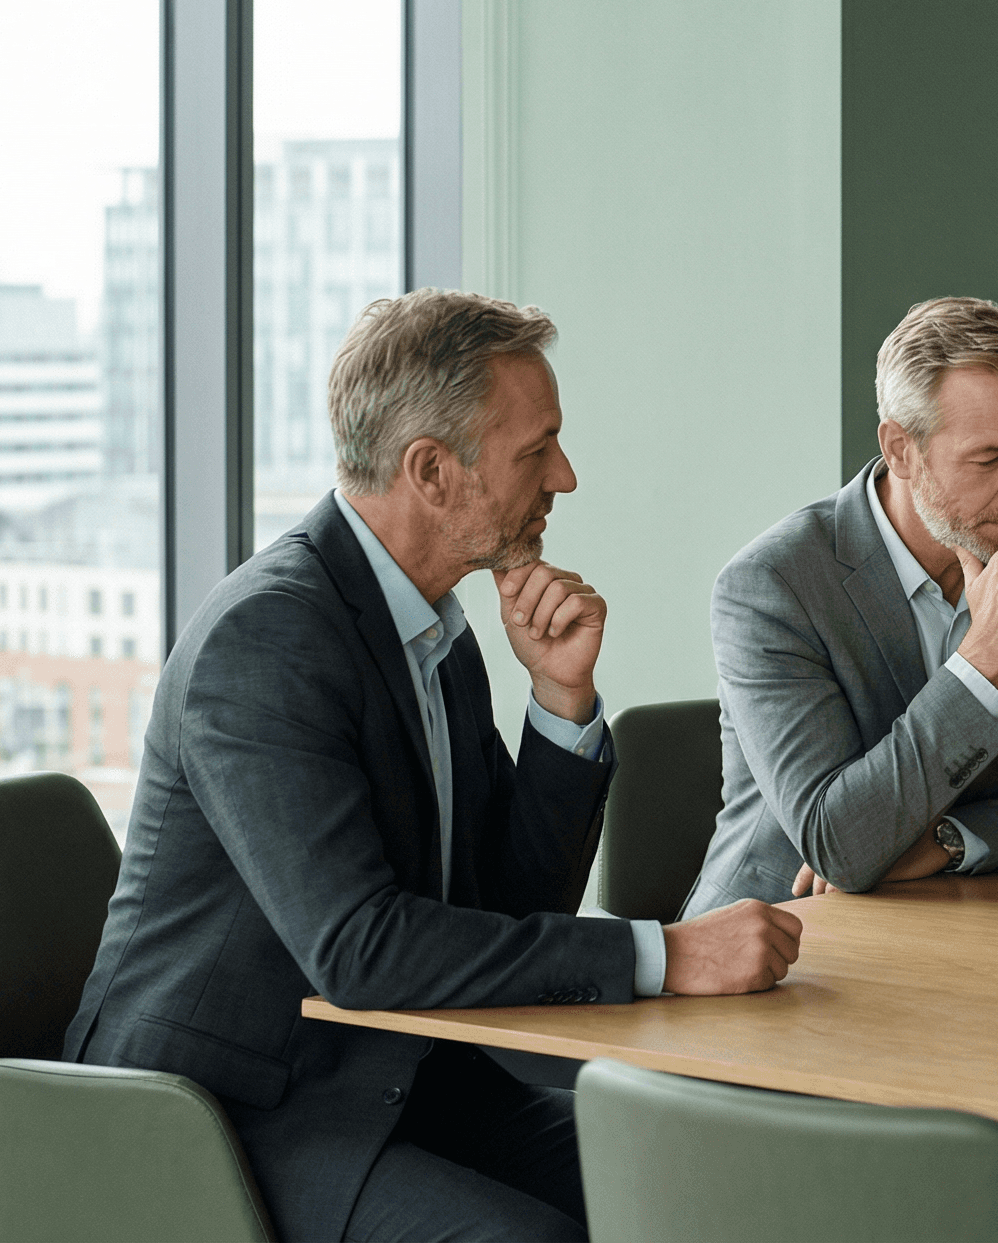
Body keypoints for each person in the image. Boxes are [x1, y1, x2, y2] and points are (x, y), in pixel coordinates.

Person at [67, 292, 802, 1243]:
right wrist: (664, 954)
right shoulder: (270, 639)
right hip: (229, 1112)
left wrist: (560, 702)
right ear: (432, 471)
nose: (566, 477)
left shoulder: (433, 629)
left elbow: (502, 904)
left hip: (398, 1074)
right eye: (536, 451)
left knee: (696, 1185)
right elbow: (361, 949)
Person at [682, 297, 998, 1226]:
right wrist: (986, 659)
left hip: (970, 965)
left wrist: (948, 838)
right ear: (901, 449)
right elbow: (839, 846)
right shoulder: (773, 586)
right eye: (988, 460)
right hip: (781, 974)